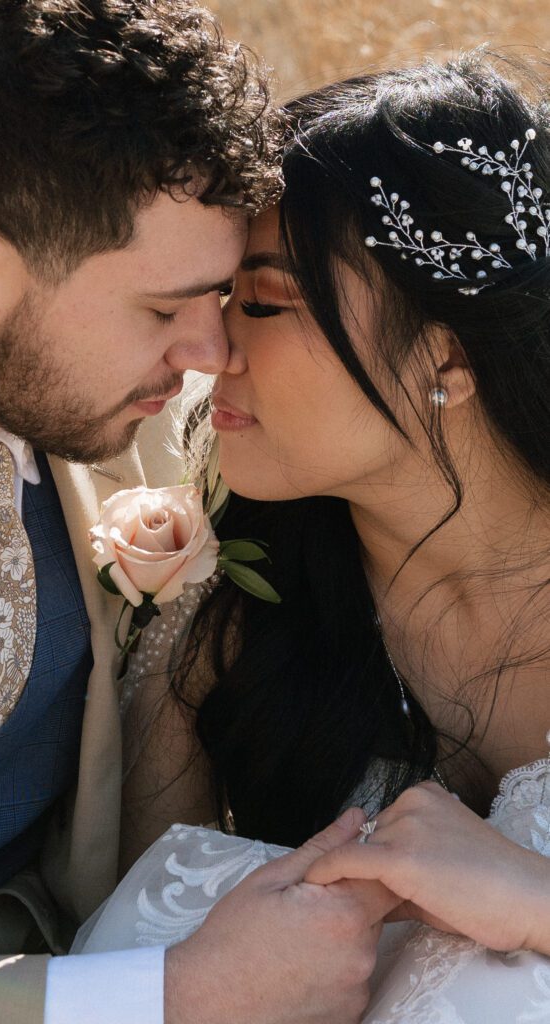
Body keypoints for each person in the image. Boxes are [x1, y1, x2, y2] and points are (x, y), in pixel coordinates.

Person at [0, 2, 393, 1023]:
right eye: (163, 309)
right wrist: (165, 995)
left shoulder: (162, 427)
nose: (210, 355)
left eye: (223, 297)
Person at [82, 51, 550, 1022]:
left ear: (446, 357)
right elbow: (134, 972)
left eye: (261, 302)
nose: (211, 351)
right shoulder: (224, 633)